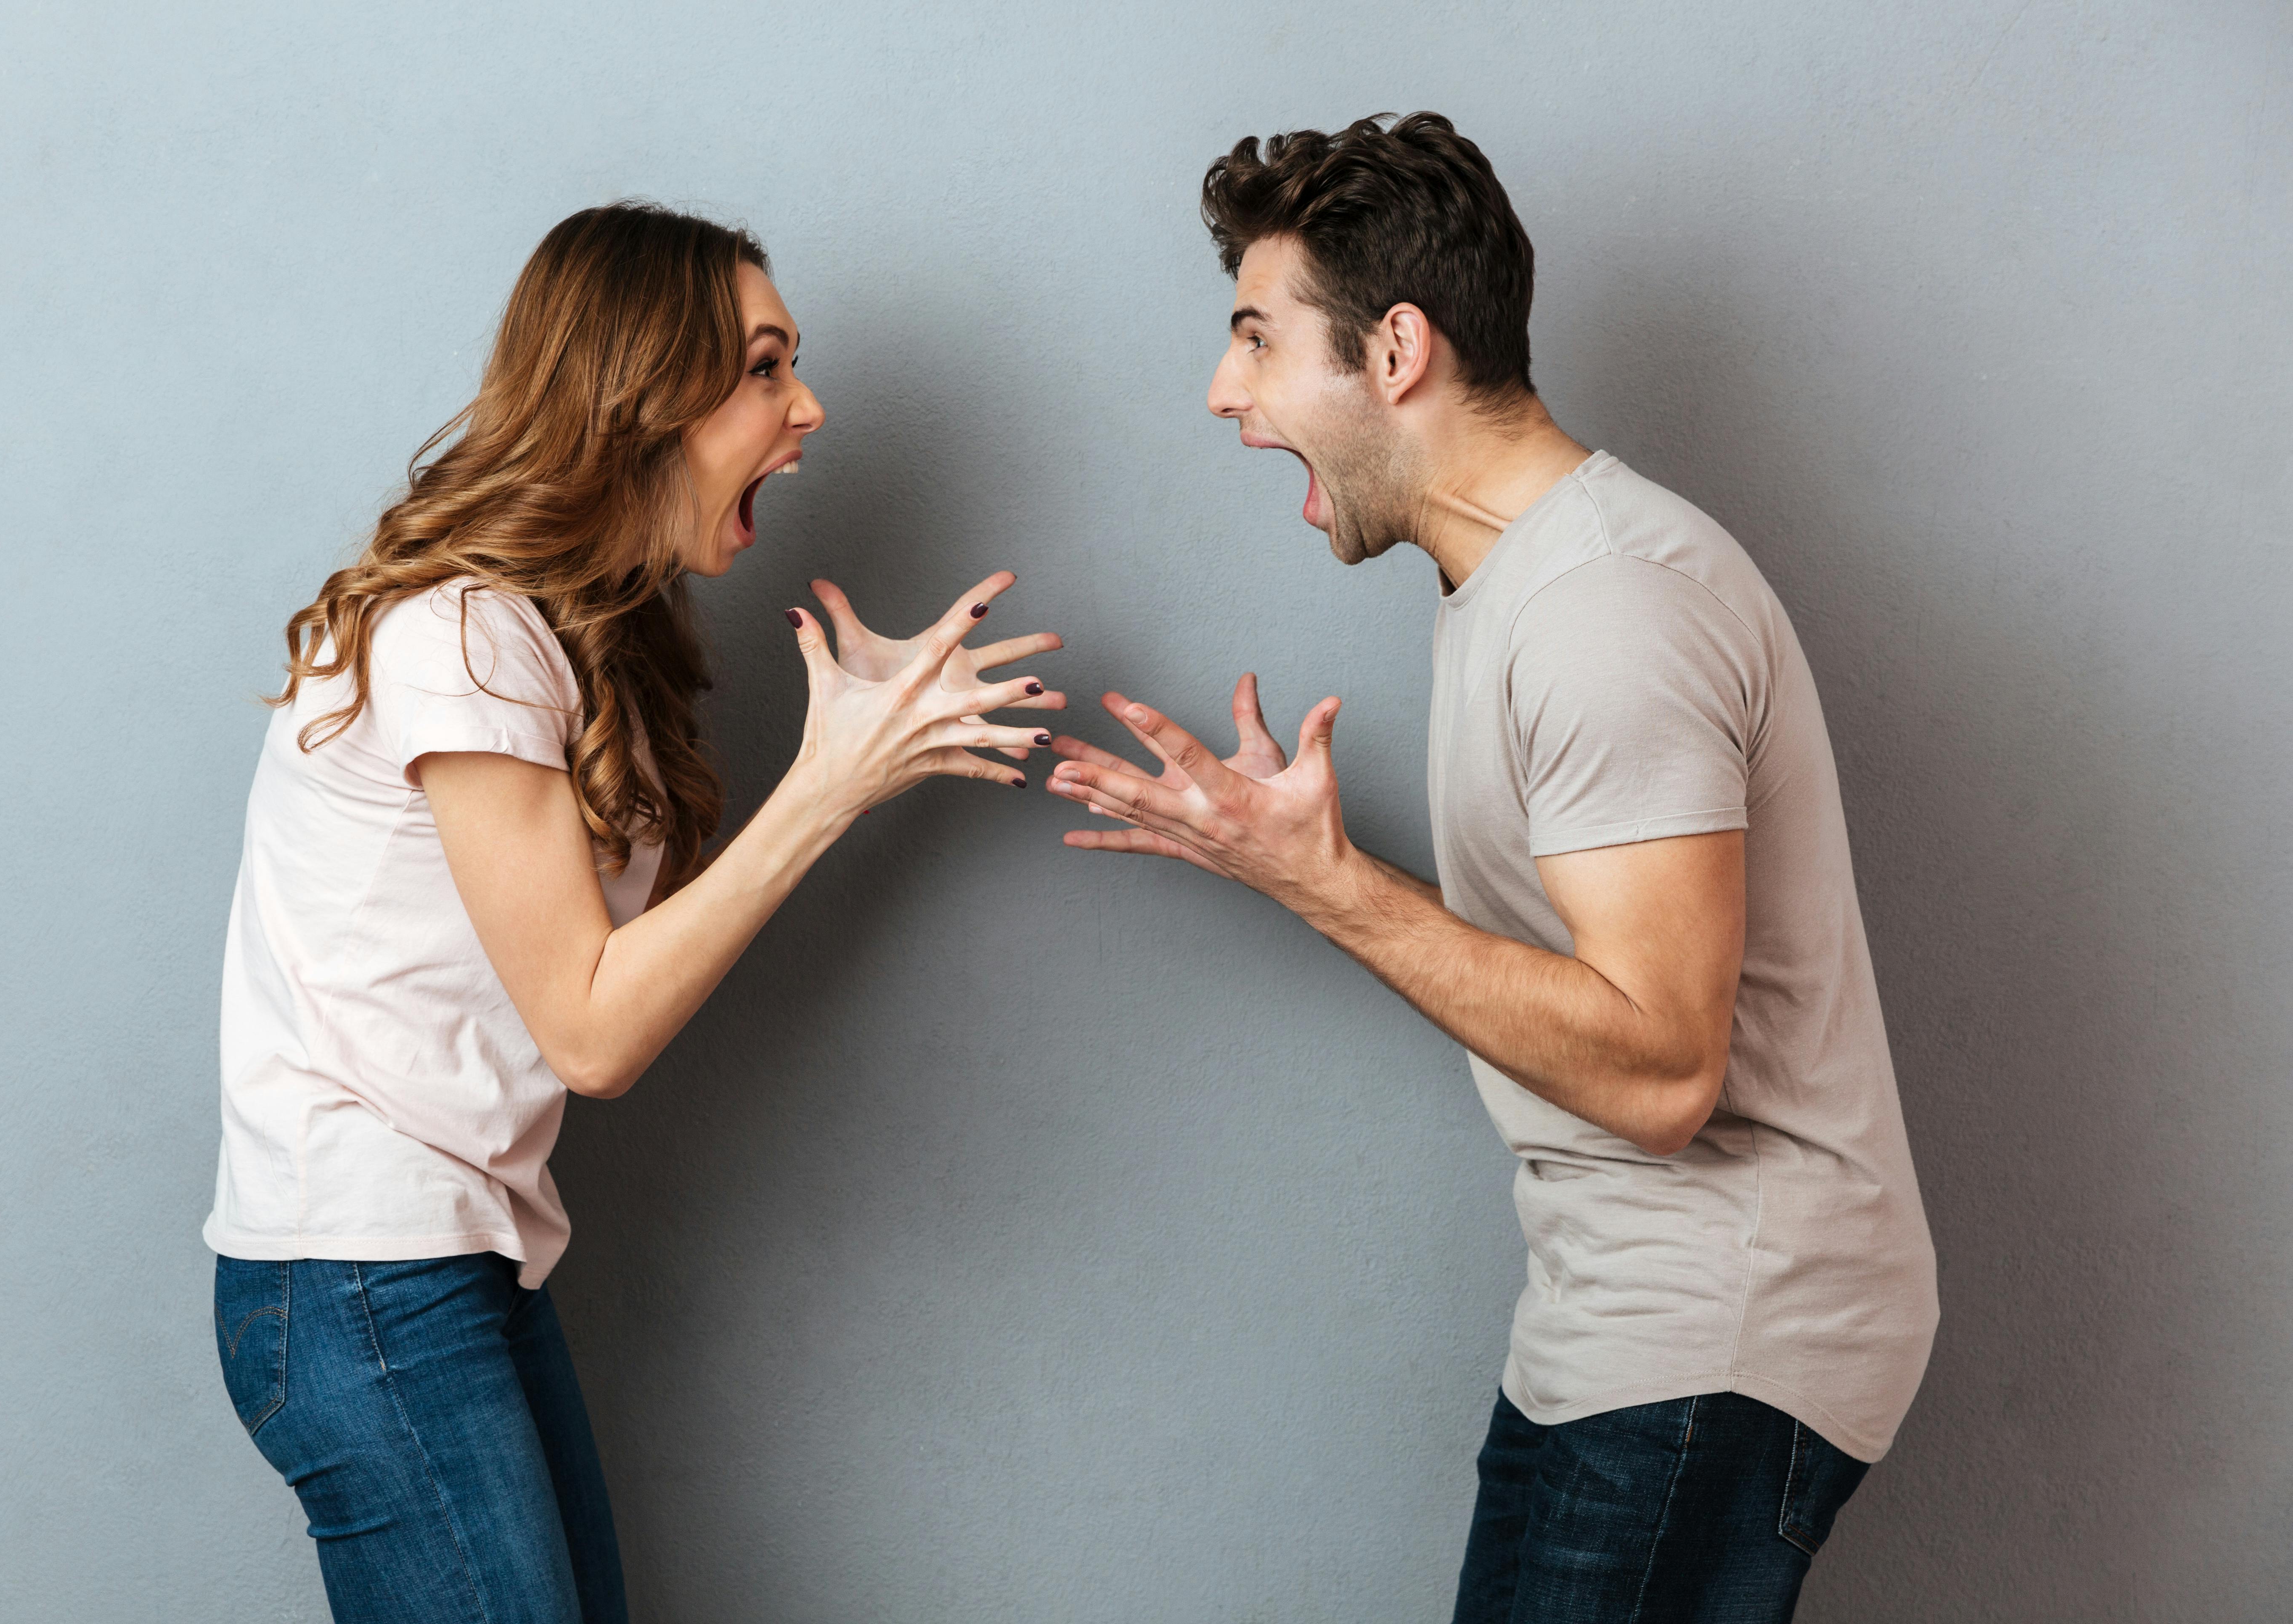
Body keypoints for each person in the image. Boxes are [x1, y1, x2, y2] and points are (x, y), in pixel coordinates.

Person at [1045, 114, 1936, 1621]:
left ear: (1396, 351)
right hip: (1624, 1323)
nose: (1224, 390)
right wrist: (1303, 865)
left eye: (1259, 340)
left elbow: (1661, 1070)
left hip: (1717, 1326)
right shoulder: (1515, 581)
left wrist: (1321, 881)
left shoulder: (1606, 609)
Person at [203, 201, 1065, 1624]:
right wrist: (831, 785)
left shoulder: (563, 638)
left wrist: (845, 747)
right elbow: (593, 1030)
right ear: (643, 395)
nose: (809, 407)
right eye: (768, 367)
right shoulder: (463, 636)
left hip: (448, 1265)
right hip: (360, 1278)